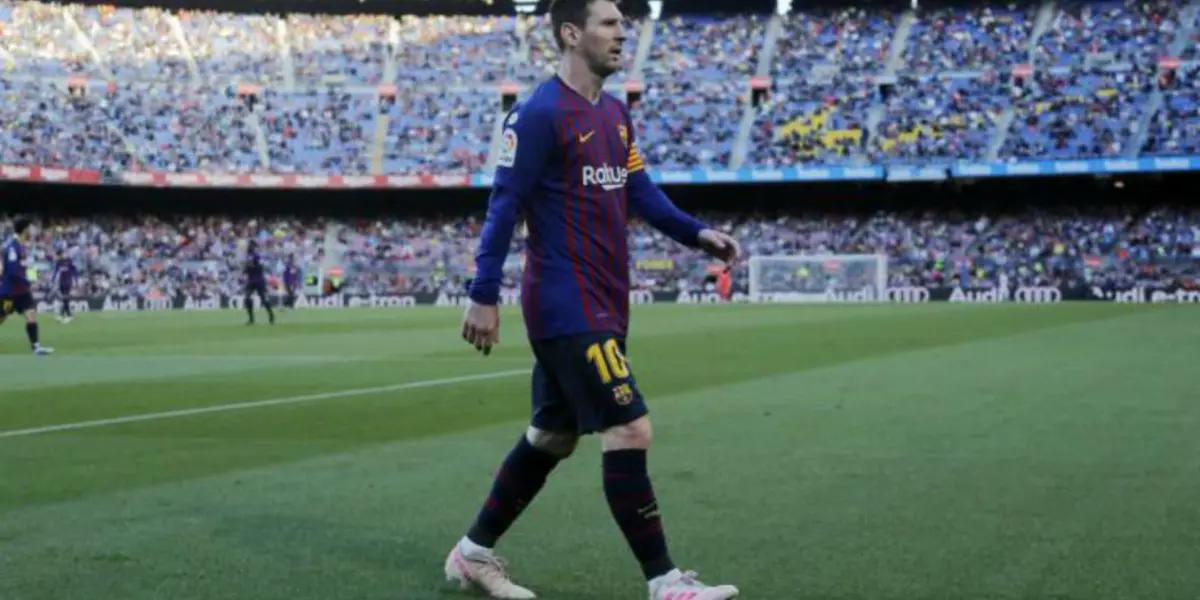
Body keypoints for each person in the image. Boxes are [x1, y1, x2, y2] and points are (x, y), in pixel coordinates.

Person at [445, 1, 741, 598]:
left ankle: (471, 554)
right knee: (629, 429)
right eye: (609, 23)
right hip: (564, 302)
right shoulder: (536, 114)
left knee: (552, 437)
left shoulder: (614, 114)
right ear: (571, 33)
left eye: (622, 24)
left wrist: (697, 233)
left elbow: (641, 191)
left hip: (606, 299)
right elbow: (503, 204)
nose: (621, 32)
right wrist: (482, 294)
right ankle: (665, 583)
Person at [1, 217, 54, 355]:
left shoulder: (23, 246)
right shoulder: (12, 247)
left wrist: (34, 278)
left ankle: (36, 347)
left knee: (31, 315)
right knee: (1, 318)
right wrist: (28, 281)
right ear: (25, 230)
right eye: (31, 227)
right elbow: (12, 271)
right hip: (10, 293)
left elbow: (26, 267)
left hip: (22, 292)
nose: (33, 230)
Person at [243, 240, 275, 325]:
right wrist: (245, 269)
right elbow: (246, 268)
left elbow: (261, 266)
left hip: (259, 280)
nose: (248, 247)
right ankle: (251, 319)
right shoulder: (249, 256)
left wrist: (253, 266)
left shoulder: (257, 256)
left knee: (264, 299)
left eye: (250, 245)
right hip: (251, 281)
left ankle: (271, 315)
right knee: (247, 298)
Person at [52, 252, 79, 323]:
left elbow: (75, 271)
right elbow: (56, 271)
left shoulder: (69, 262)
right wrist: (53, 279)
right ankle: (65, 315)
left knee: (65, 299)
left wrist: (76, 281)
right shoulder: (59, 262)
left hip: (68, 282)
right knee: (64, 300)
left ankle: (67, 315)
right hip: (61, 283)